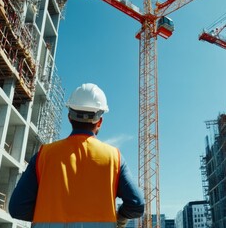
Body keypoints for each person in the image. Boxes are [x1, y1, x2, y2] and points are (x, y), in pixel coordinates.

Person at [9, 83, 145, 228]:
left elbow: (17, 209)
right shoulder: (114, 157)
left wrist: (47, 213)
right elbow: (136, 205)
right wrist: (119, 218)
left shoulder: (44, 155)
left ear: (69, 117)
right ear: (99, 121)